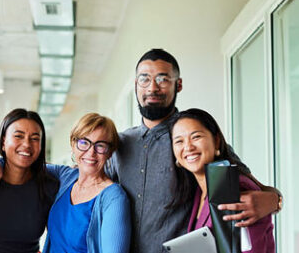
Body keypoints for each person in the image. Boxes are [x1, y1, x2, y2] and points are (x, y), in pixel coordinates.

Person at [104, 48, 282, 252]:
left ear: (178, 85)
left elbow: (254, 188)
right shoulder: (119, 144)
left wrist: (274, 201)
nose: (152, 88)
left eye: (163, 79)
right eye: (144, 79)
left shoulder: (196, 143)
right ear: (136, 85)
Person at [169, 108, 275, 253]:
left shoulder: (234, 187)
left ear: (216, 141)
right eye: (179, 141)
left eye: (196, 137)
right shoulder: (200, 191)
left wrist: (276, 200)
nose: (188, 147)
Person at [0, 108, 59, 253]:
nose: (27, 144)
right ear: (3, 141)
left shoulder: (49, 186)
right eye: (19, 136)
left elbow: (60, 240)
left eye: (34, 138)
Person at [43, 113, 131, 253]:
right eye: (84, 143)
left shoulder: (114, 198)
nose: (91, 152)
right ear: (73, 144)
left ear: (110, 152)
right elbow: (22, 165)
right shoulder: (66, 176)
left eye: (100, 145)